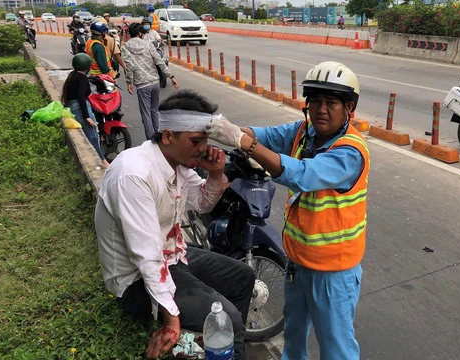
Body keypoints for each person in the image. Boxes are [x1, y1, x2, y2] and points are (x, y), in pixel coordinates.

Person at [207, 61, 370, 360]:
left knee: (337, 350)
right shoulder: (303, 132)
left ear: (349, 108)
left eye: (331, 102)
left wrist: (245, 143)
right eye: (316, 101)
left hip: (332, 272)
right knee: (293, 339)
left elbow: (302, 174)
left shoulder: (350, 152)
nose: (321, 109)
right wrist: (227, 131)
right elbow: (265, 135)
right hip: (297, 263)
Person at [94, 89, 255, 360]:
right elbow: (147, 257)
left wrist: (215, 173)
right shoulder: (134, 175)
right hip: (136, 279)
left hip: (172, 257)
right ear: (167, 136)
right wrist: (171, 319)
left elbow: (202, 203)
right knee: (229, 319)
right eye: (195, 140)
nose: (203, 148)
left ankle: (215, 342)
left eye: (205, 140)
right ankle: (224, 339)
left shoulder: (176, 163)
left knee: (243, 277)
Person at [122, 23, 179, 140]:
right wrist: (171, 76)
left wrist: (129, 82)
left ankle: (151, 139)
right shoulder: (148, 45)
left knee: (146, 113)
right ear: (139, 33)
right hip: (154, 82)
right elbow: (159, 61)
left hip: (142, 85)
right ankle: (159, 136)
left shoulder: (126, 47)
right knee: (154, 111)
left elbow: (129, 66)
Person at [61, 53, 110, 169]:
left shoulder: (72, 76)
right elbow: (81, 97)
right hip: (80, 108)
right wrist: (86, 116)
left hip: (72, 106)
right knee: (92, 136)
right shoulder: (82, 78)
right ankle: (103, 161)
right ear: (87, 66)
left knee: (90, 134)